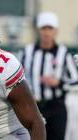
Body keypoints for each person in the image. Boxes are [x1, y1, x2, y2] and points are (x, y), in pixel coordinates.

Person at [19, 12, 78, 140]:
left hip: (56, 106)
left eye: (50, 28)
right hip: (34, 106)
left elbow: (75, 81)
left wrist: (59, 83)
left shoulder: (64, 53)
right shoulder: (27, 52)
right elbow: (18, 77)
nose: (46, 33)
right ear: (38, 30)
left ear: (56, 31)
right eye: (43, 28)